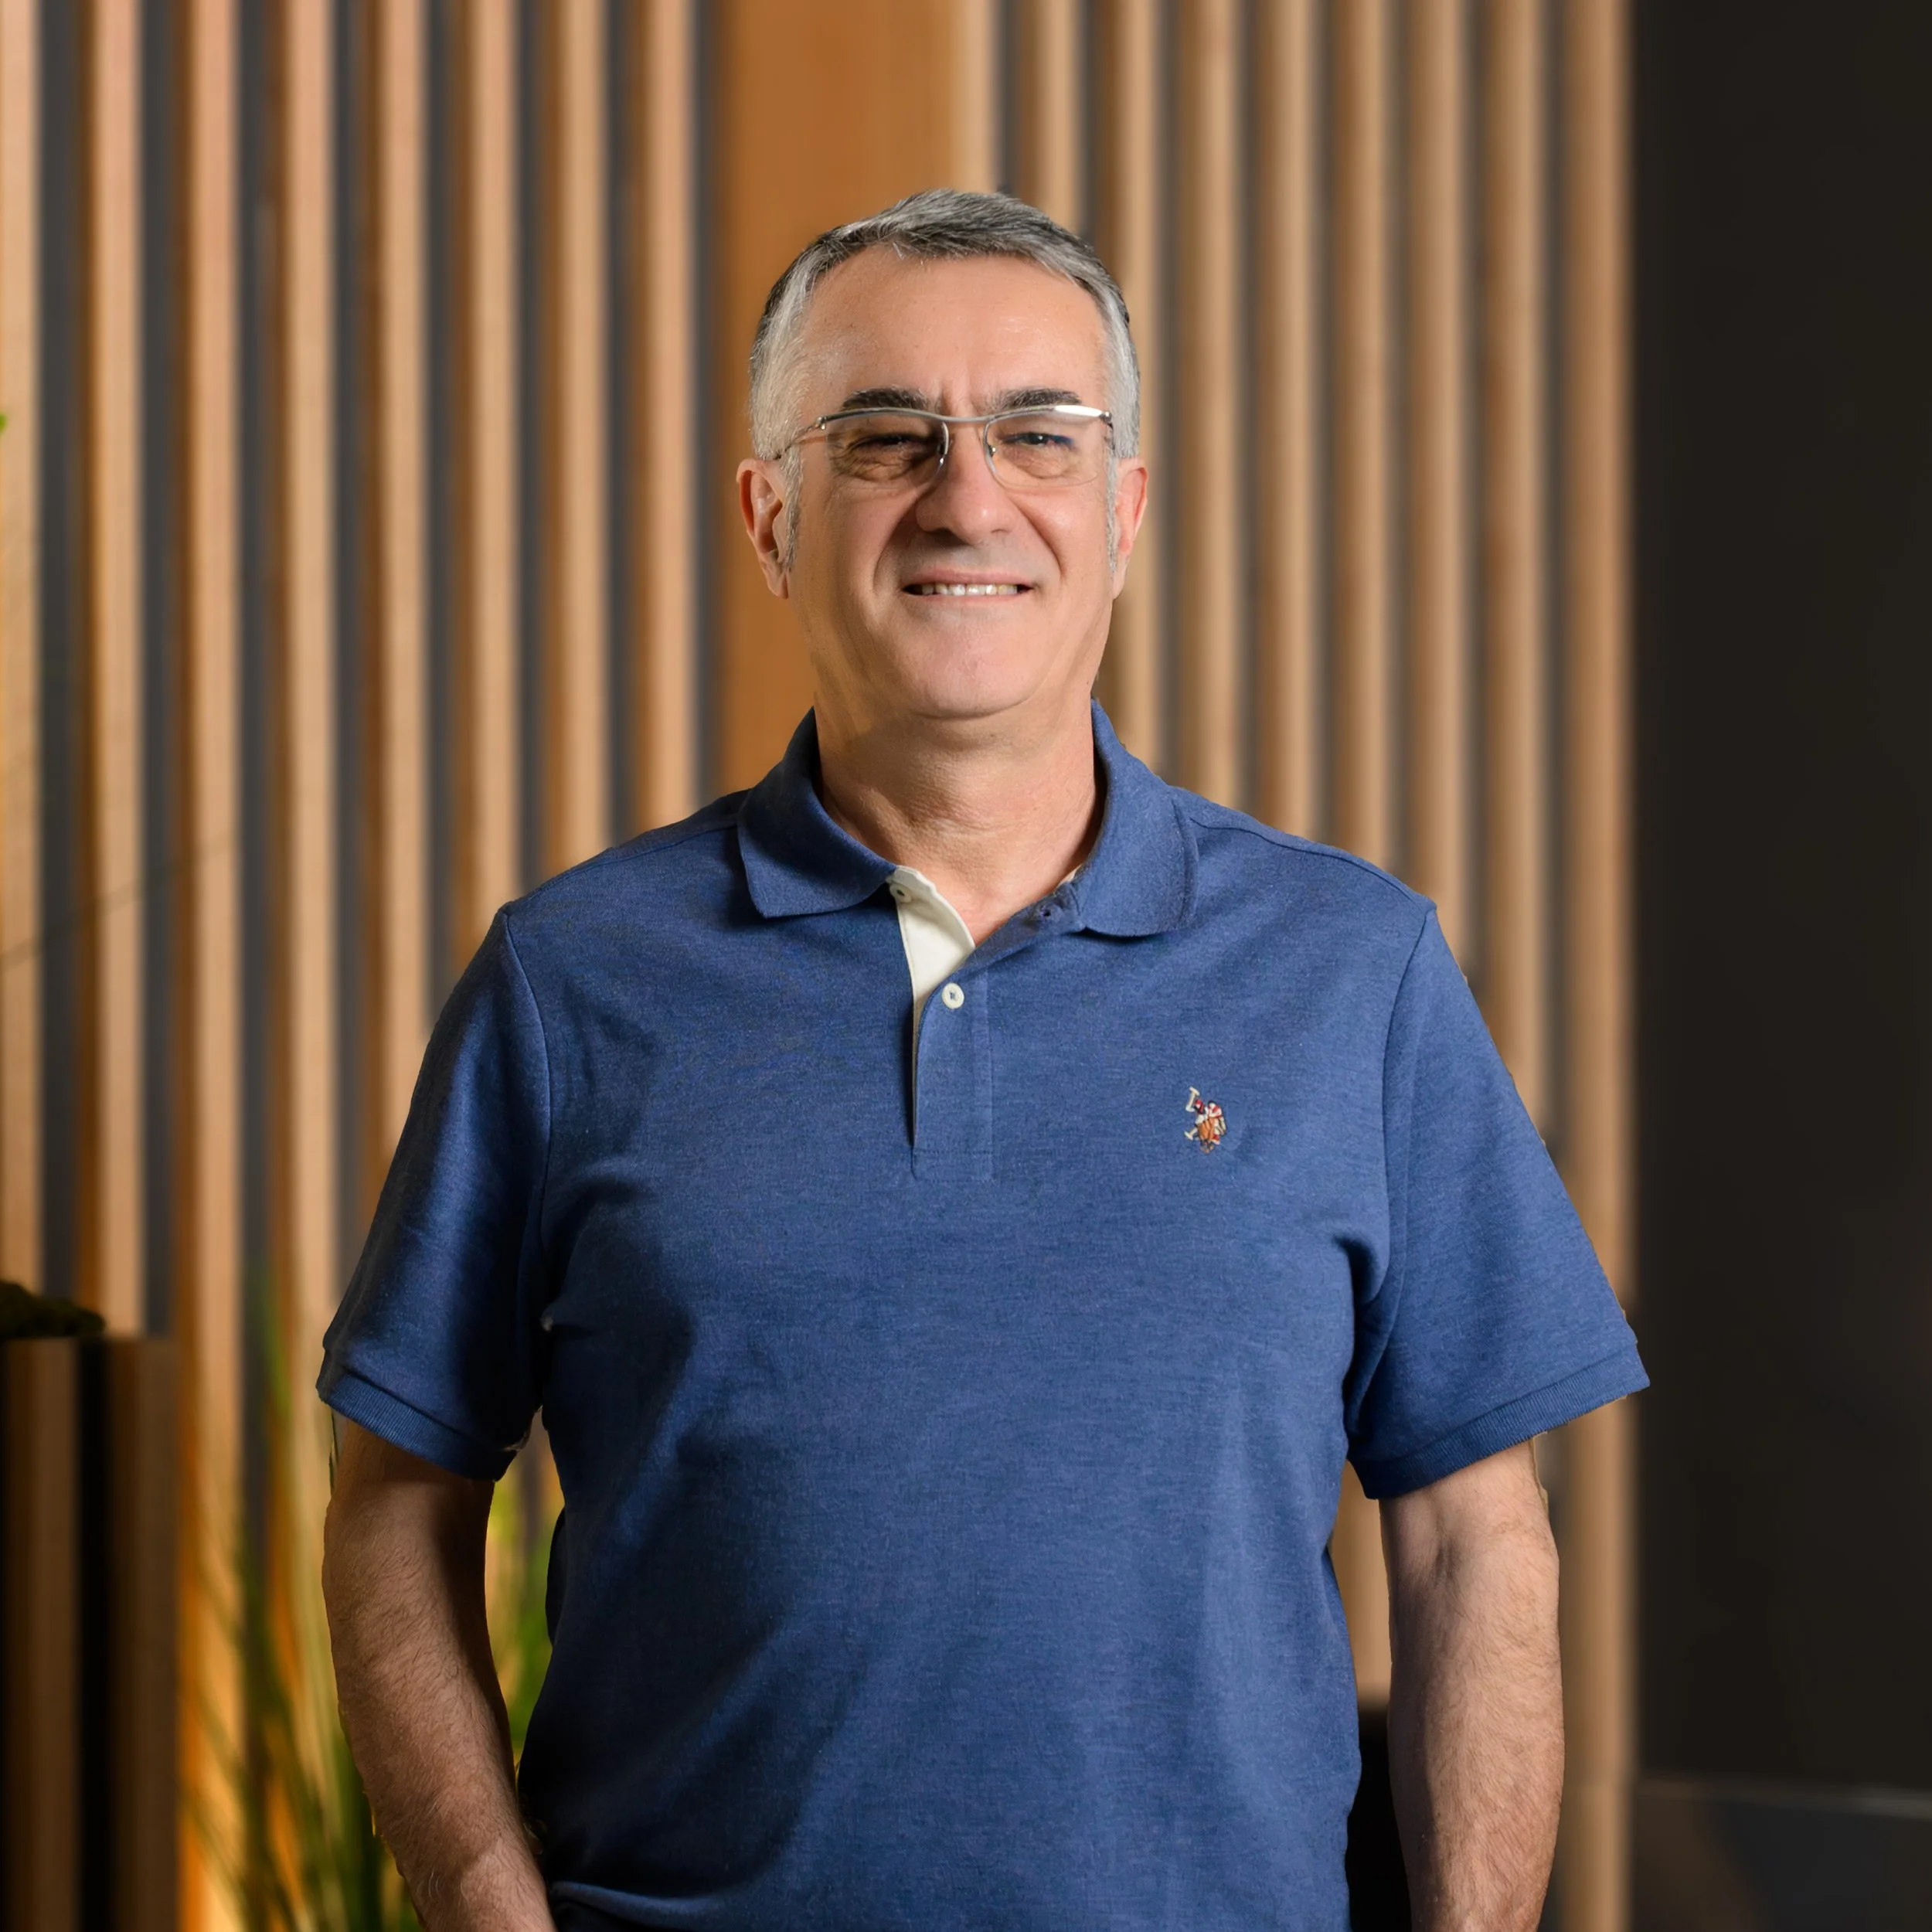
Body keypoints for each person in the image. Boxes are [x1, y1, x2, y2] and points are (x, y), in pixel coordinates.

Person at [319, 189, 1646, 1932]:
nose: (968, 496)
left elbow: (1475, 1537)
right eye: (885, 438)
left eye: (1038, 432)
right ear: (769, 515)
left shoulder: (1352, 971)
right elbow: (391, 1512)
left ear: (1123, 508)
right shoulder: (572, 980)